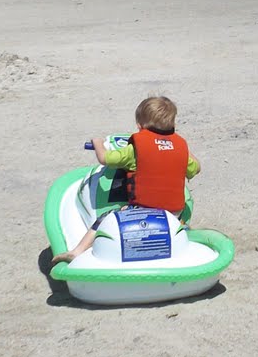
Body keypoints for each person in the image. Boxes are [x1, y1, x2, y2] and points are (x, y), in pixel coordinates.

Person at [51, 96, 201, 265]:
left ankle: (76, 252)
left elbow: (104, 158)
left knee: (104, 218)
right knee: (185, 206)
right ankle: (185, 230)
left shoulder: (134, 150)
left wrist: (98, 142)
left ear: (139, 126)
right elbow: (196, 168)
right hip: (173, 213)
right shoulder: (180, 146)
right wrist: (185, 150)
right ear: (173, 125)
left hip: (142, 210)